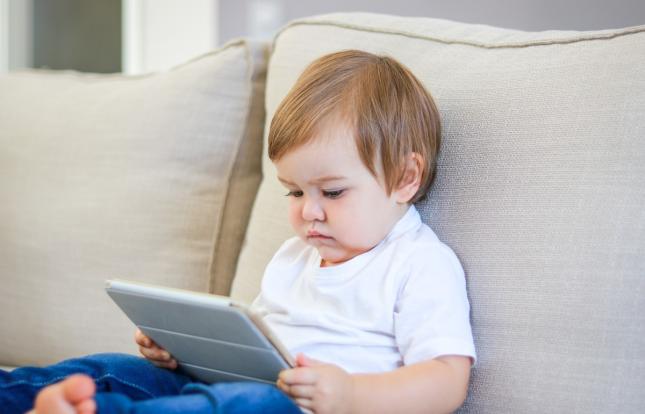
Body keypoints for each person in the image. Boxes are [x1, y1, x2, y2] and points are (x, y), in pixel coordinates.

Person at [2, 49, 476, 414]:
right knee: (115, 368)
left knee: (255, 406)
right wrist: (182, 352)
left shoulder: (418, 263)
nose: (309, 212)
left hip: (303, 408)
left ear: (405, 178)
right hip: (232, 390)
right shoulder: (294, 258)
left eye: (331, 193)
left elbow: (448, 380)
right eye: (294, 193)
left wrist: (350, 392)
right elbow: (248, 354)